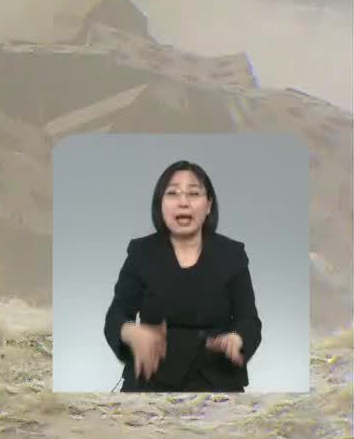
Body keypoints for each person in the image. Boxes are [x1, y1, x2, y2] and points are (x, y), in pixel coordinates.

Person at [102, 159, 262, 392]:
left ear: (208, 205)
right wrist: (131, 332)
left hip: (217, 383)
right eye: (173, 193)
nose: (183, 202)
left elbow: (249, 319)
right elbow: (115, 316)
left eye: (193, 193)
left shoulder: (232, 255)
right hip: (150, 380)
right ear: (160, 205)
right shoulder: (140, 252)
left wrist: (238, 338)